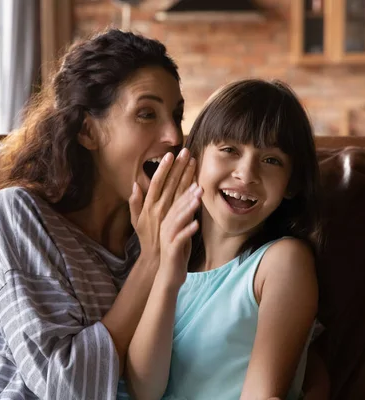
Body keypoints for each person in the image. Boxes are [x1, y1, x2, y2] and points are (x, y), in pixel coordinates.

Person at [0, 29, 200, 400]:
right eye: (146, 113)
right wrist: (151, 260)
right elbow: (65, 388)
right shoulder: (18, 215)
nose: (173, 135)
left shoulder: (166, 235)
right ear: (87, 130)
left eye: (177, 115)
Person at [126, 79, 325, 400]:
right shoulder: (163, 256)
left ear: (291, 183)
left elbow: (262, 395)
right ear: (196, 159)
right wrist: (167, 275)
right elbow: (144, 390)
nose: (246, 174)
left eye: (271, 160)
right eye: (229, 150)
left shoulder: (282, 262)